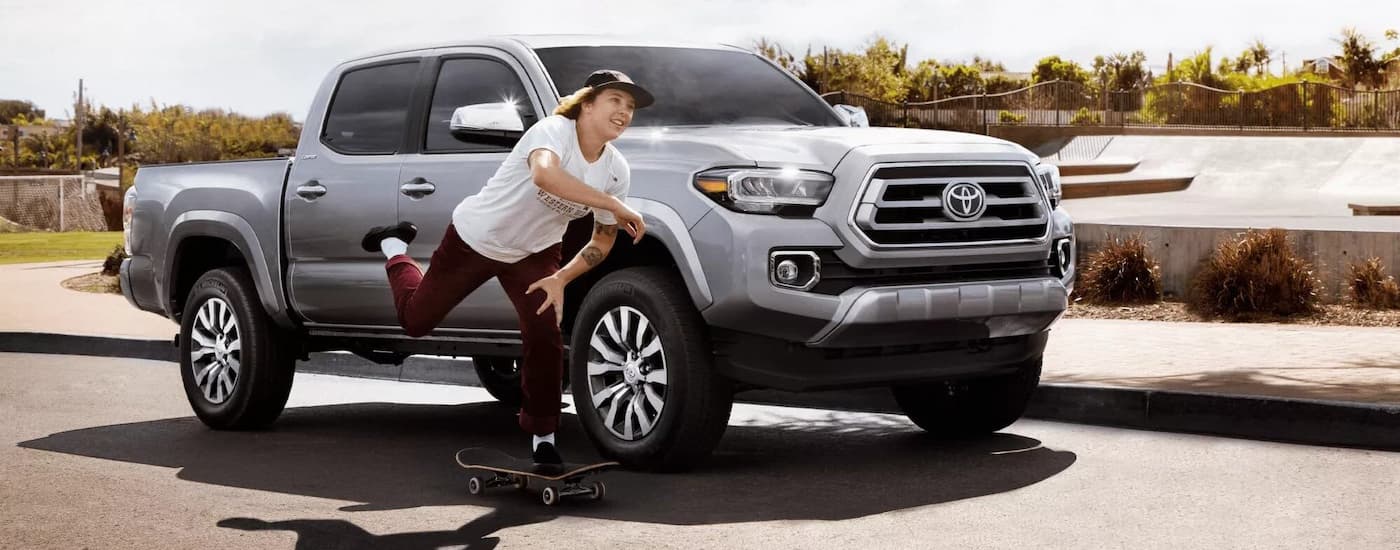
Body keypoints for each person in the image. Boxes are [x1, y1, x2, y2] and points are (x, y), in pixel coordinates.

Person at [360, 70, 652, 468]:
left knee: (544, 335)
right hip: (476, 238)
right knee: (416, 320)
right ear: (587, 103)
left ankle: (543, 437)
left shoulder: (616, 169)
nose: (624, 112)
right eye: (615, 101)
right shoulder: (552, 131)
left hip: (534, 253)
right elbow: (545, 175)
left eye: (630, 106)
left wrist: (560, 278)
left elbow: (602, 239)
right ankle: (394, 246)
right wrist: (616, 206)